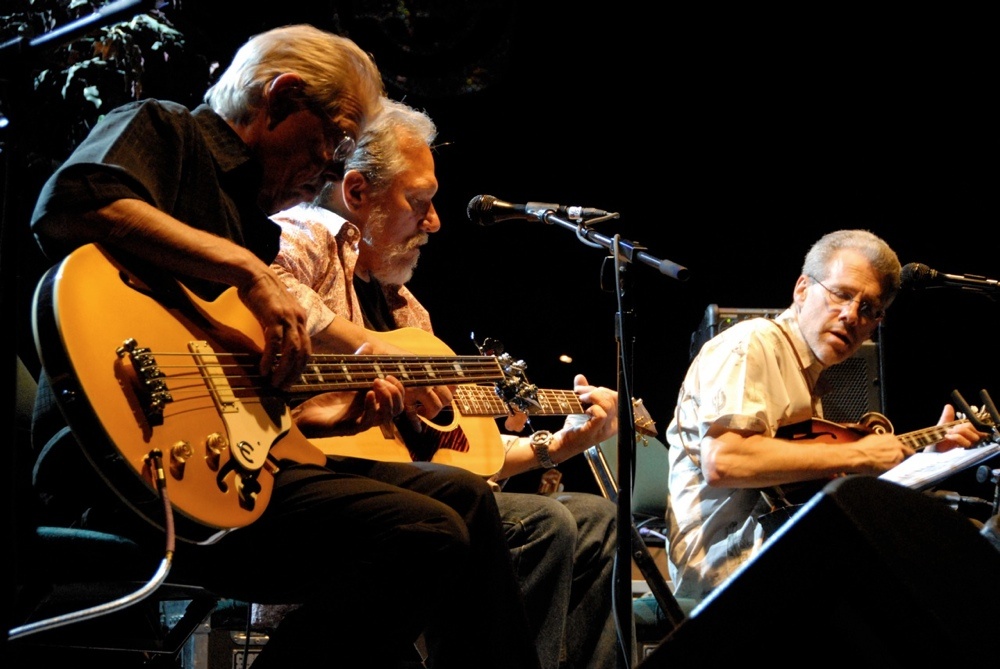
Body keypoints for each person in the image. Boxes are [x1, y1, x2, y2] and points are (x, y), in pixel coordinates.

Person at [26, 25, 541, 669]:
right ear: (282, 95)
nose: (335, 163)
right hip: (117, 458)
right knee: (423, 533)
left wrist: (332, 416)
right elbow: (70, 202)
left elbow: (241, 397)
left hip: (225, 468)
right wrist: (249, 273)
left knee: (462, 499)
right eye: (336, 138)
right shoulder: (168, 131)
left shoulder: (254, 225)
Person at [268, 98, 624, 669]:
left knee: (600, 523)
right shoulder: (302, 238)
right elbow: (267, 288)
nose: (434, 222)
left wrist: (557, 445)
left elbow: (461, 453)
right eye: (419, 203)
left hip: (424, 490)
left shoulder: (409, 312)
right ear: (356, 192)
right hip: (312, 489)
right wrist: (372, 354)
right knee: (545, 524)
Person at [664, 229, 988, 604]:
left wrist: (927, 460)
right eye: (842, 294)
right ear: (802, 289)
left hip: (783, 548)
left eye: (868, 309)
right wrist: (859, 454)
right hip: (723, 567)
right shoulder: (752, 343)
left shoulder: (806, 379)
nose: (851, 315)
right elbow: (725, 460)